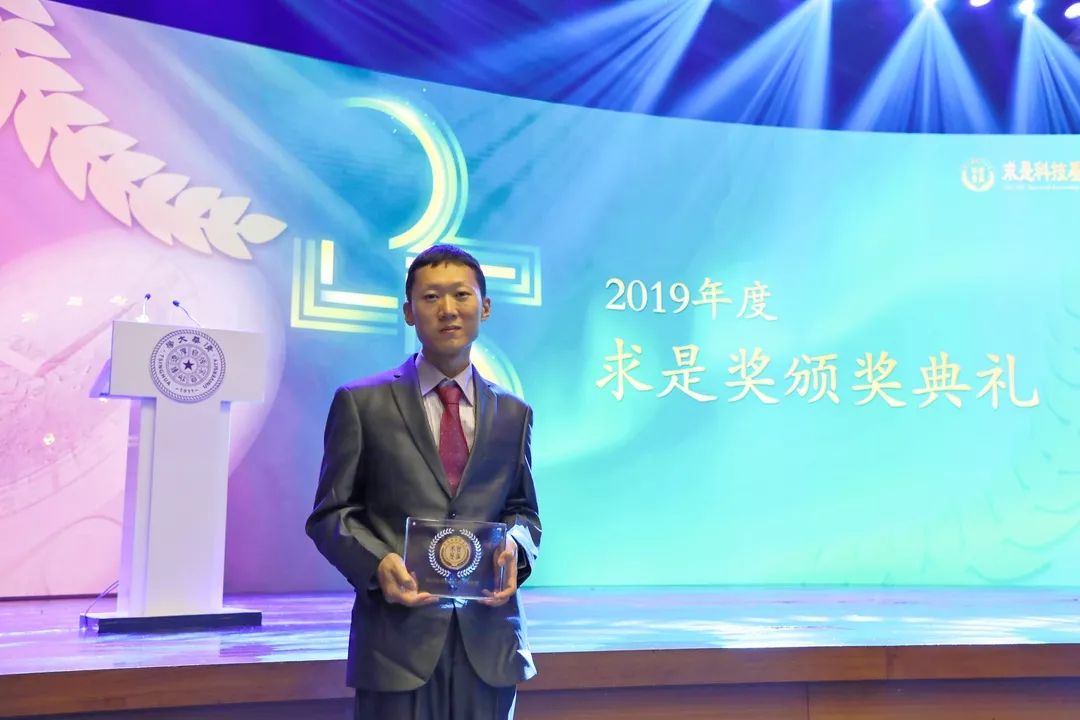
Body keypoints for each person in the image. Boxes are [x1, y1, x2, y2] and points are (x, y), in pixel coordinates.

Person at [306, 244, 541, 719]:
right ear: (409, 312)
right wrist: (378, 565)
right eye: (431, 297)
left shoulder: (513, 413)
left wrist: (515, 547)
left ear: (485, 307)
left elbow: (523, 511)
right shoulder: (361, 402)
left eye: (461, 295)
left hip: (489, 645)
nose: (448, 309)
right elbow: (331, 514)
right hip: (396, 643)